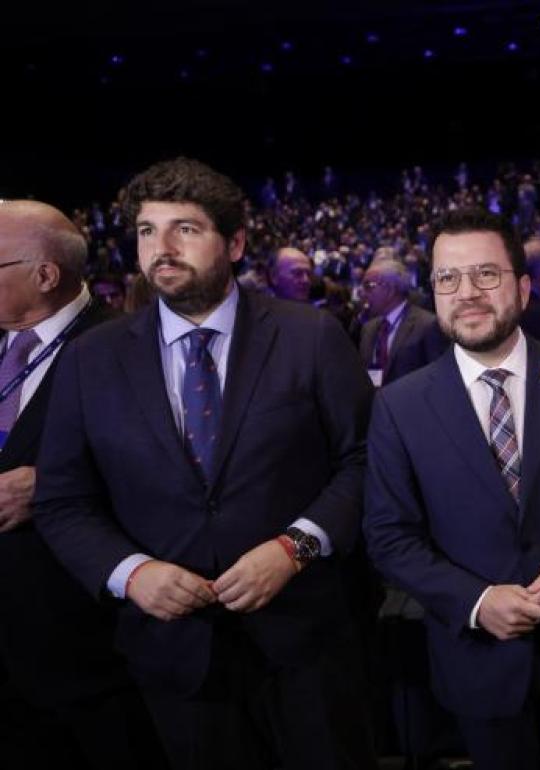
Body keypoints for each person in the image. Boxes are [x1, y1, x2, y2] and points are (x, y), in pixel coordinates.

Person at [32, 158, 377, 770]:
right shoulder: (91, 359)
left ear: (236, 242)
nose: (161, 248)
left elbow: (363, 461)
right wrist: (131, 573)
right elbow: (64, 500)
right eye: (146, 230)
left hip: (305, 639)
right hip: (171, 652)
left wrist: (294, 547)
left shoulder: (312, 336)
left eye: (185, 229)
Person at [365, 208, 540, 770]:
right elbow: (389, 537)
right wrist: (477, 601)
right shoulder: (400, 405)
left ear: (524, 286)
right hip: (477, 663)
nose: (467, 293)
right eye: (448, 279)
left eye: (486, 274)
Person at [0, 200, 165, 769]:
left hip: (87, 652)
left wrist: (52, 484)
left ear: (44, 275)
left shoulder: (133, 347)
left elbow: (179, 469)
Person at [356, 258, 439, 386]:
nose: (362, 293)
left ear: (389, 289)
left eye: (368, 286)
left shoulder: (427, 325)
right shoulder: (368, 328)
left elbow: (437, 379)